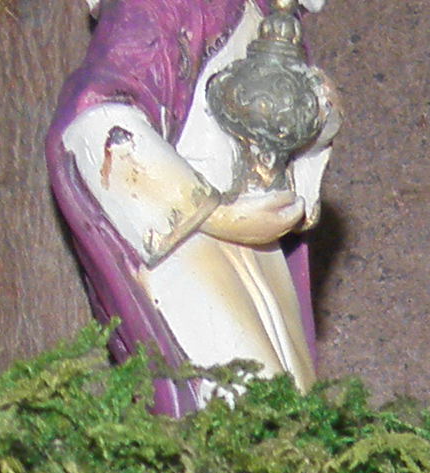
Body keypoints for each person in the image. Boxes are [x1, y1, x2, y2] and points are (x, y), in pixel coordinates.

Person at [52, 0, 333, 417]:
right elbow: (97, 119)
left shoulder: (267, 18)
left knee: (294, 400)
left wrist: (317, 115)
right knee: (240, 392)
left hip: (255, 240)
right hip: (185, 238)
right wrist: (216, 215)